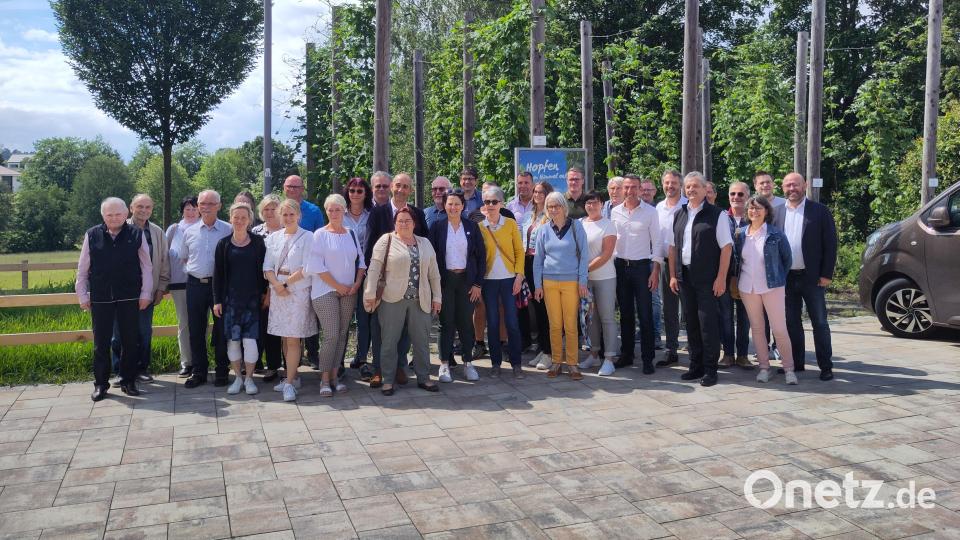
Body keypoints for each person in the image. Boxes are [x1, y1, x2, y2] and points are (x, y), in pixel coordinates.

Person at [77, 197, 153, 401]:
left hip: (130, 296)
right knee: (101, 344)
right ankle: (101, 384)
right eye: (109, 214)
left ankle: (129, 381)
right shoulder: (92, 234)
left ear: (126, 214)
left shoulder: (136, 234)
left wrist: (146, 293)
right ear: (103, 215)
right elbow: (83, 267)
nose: (114, 218)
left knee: (130, 341)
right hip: (101, 297)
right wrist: (82, 294)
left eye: (118, 214)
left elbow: (147, 266)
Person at [364, 207, 442, 395]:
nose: (404, 224)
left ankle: (424, 378)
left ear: (414, 223)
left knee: (421, 342)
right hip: (392, 299)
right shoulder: (387, 240)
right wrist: (369, 293)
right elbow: (374, 268)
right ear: (395, 223)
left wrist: (437, 297)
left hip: (420, 299)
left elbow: (434, 274)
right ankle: (388, 380)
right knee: (389, 341)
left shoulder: (425, 243)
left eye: (408, 220)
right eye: (400, 221)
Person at [668, 172, 733, 387]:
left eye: (696, 186)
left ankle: (710, 369)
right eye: (688, 187)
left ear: (706, 189)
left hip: (707, 279)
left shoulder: (717, 215)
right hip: (684, 277)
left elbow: (726, 247)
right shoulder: (680, 213)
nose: (691, 190)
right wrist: (672, 275)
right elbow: (673, 247)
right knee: (692, 323)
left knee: (708, 324)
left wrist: (721, 278)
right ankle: (695, 366)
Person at [365, 173, 429, 387]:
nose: (401, 189)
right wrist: (372, 286)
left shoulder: (418, 214)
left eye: (406, 187)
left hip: (410, 285)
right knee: (380, 329)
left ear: (410, 190)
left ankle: (400, 366)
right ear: (392, 187)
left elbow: (425, 248)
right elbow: (369, 249)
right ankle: (379, 370)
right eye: (398, 185)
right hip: (384, 285)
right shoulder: (377, 213)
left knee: (406, 331)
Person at [774, 172, 838, 381]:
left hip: (813, 278)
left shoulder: (819, 211)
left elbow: (830, 244)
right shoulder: (776, 212)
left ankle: (826, 367)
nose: (792, 189)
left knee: (819, 323)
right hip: (786, 278)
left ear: (805, 186)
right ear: (782, 188)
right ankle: (796, 364)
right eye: (788, 185)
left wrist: (826, 274)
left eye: (796, 185)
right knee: (791, 323)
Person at [307, 195, 366, 398]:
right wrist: (338, 286)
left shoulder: (350, 233)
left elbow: (361, 261)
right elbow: (316, 266)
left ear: (344, 211)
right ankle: (324, 379)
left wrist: (357, 284)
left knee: (342, 334)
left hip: (349, 291)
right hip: (325, 291)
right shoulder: (319, 235)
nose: (334, 213)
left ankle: (335, 377)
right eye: (330, 210)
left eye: (337, 210)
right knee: (331, 334)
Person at [735, 196, 797, 384]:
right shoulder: (740, 234)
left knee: (779, 329)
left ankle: (788, 369)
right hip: (747, 288)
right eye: (751, 209)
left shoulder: (776, 234)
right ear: (747, 212)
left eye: (759, 208)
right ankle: (764, 367)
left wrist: (778, 278)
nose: (754, 211)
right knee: (758, 329)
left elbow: (787, 260)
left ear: (767, 211)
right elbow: (738, 260)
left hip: (772, 287)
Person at [110, 194, 168, 385]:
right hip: (121, 292)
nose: (144, 210)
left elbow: (164, 261)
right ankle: (120, 371)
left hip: (148, 291)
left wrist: (160, 288)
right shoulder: (119, 228)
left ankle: (142, 369)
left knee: (144, 332)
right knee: (118, 334)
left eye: (148, 207)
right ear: (131, 208)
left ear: (152, 209)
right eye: (140, 206)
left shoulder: (157, 232)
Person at [429, 189, 486, 382]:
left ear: (463, 206)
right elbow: (431, 258)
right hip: (445, 281)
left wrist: (478, 283)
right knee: (446, 324)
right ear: (444, 205)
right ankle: (444, 364)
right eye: (450, 203)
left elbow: (481, 257)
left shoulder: (471, 226)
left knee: (465, 323)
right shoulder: (437, 227)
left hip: (466, 282)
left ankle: (468, 363)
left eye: (457, 204)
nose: (453, 207)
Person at [263, 198, 316, 401]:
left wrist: (286, 285)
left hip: (297, 291)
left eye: (291, 214)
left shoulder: (307, 237)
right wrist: (276, 285)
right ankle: (291, 378)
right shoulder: (274, 238)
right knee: (284, 337)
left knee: (294, 338)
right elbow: (267, 266)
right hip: (278, 291)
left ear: (298, 215)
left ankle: (289, 384)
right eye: (284, 214)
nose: (288, 217)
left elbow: (307, 267)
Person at [214, 202, 268, 395]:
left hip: (253, 302)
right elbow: (218, 275)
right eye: (236, 217)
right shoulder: (223, 244)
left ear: (249, 220)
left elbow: (265, 270)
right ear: (230, 218)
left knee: (250, 341)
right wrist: (217, 300)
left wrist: (265, 294)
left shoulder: (258, 242)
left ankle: (249, 379)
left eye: (243, 217)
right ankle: (237, 378)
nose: (239, 221)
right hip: (231, 302)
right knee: (233, 342)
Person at [534, 191, 589, 379]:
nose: (553, 210)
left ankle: (573, 364)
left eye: (557, 206)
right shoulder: (543, 230)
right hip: (549, 282)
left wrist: (582, 281)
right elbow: (538, 260)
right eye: (550, 207)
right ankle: (557, 362)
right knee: (555, 325)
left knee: (571, 325)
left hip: (571, 281)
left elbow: (584, 256)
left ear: (564, 207)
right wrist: (537, 285)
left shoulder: (576, 227)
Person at [611, 175, 662, 373]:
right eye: (627, 187)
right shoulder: (615, 212)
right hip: (621, 267)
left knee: (645, 314)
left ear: (641, 190)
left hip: (642, 267)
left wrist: (655, 270)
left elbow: (657, 242)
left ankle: (648, 358)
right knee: (625, 314)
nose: (630, 191)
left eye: (634, 187)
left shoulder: (650, 212)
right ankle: (627, 354)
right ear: (622, 189)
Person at [182, 190, 233, 388]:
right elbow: (185, 258)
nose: (206, 207)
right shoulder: (189, 231)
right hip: (195, 284)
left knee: (221, 330)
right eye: (202, 203)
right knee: (195, 330)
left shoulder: (228, 230)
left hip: (220, 286)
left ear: (219, 206)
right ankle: (199, 372)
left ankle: (222, 371)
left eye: (211, 203)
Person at [478, 186, 526, 378]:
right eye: (487, 202)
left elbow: (519, 252)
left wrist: (519, 276)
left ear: (501, 204)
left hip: (509, 279)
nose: (490, 205)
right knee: (493, 322)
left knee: (512, 323)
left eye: (494, 202)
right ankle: (495, 363)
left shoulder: (510, 224)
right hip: (489, 280)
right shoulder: (480, 226)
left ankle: (516, 363)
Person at [284, 174, 325, 368]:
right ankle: (294, 358)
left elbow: (320, 240)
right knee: (290, 317)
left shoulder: (313, 211)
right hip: (284, 275)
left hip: (308, 272)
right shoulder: (281, 209)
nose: (291, 190)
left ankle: (313, 353)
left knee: (310, 313)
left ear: (302, 189)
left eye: (295, 186)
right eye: (288, 186)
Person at [579, 191, 619, 376]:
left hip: (604, 278)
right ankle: (594, 354)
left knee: (607, 318)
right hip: (585, 281)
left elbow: (606, 254)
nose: (591, 206)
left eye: (595, 202)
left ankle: (609, 358)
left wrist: (584, 270)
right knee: (591, 318)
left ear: (602, 204)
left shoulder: (608, 225)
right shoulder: (579, 224)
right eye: (588, 202)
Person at [718, 182, 753, 369]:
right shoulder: (721, 218)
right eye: (733, 193)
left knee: (744, 317)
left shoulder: (755, 218)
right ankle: (728, 354)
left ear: (747, 196)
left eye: (741, 194)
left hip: (747, 276)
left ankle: (743, 355)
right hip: (725, 275)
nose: (736, 197)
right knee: (725, 316)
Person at [654, 170, 687, 367]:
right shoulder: (658, 207)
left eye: (674, 183)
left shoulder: (688, 206)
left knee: (691, 309)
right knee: (669, 309)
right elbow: (657, 240)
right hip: (666, 263)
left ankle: (695, 348)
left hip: (686, 263)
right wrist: (656, 266)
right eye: (667, 183)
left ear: (680, 185)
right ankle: (671, 349)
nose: (670, 186)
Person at [342, 178, 374, 373]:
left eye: (359, 191)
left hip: (365, 271)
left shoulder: (371, 216)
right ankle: (338, 360)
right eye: (352, 190)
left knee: (363, 318)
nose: (355, 194)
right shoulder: (339, 214)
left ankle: (361, 357)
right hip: (343, 270)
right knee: (343, 317)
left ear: (365, 194)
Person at [251, 194, 283, 382]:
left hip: (280, 286)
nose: (270, 212)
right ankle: (255, 362)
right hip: (256, 285)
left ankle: (273, 366)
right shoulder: (255, 232)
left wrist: (271, 291)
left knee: (275, 329)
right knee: (258, 326)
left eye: (273, 208)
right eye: (266, 209)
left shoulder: (286, 231)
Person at [166, 196, 199, 377]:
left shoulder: (204, 228)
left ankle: (200, 360)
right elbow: (164, 255)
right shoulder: (174, 230)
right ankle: (187, 362)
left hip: (201, 283)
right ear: (182, 211)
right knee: (184, 324)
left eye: (194, 208)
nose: (191, 212)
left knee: (200, 324)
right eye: (188, 208)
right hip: (179, 283)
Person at [523, 181, 555, 369]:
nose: (536, 194)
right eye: (535, 191)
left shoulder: (550, 216)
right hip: (528, 265)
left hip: (543, 266)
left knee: (545, 312)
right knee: (536, 309)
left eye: (541, 192)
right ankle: (543, 349)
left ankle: (549, 353)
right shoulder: (530, 216)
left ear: (548, 194)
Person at [639, 178, 663, 349]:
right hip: (637, 260)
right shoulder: (636, 209)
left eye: (649, 190)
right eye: (643, 189)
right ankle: (643, 330)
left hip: (653, 259)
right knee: (638, 300)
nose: (646, 192)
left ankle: (656, 335)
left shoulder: (658, 210)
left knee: (654, 299)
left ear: (655, 191)